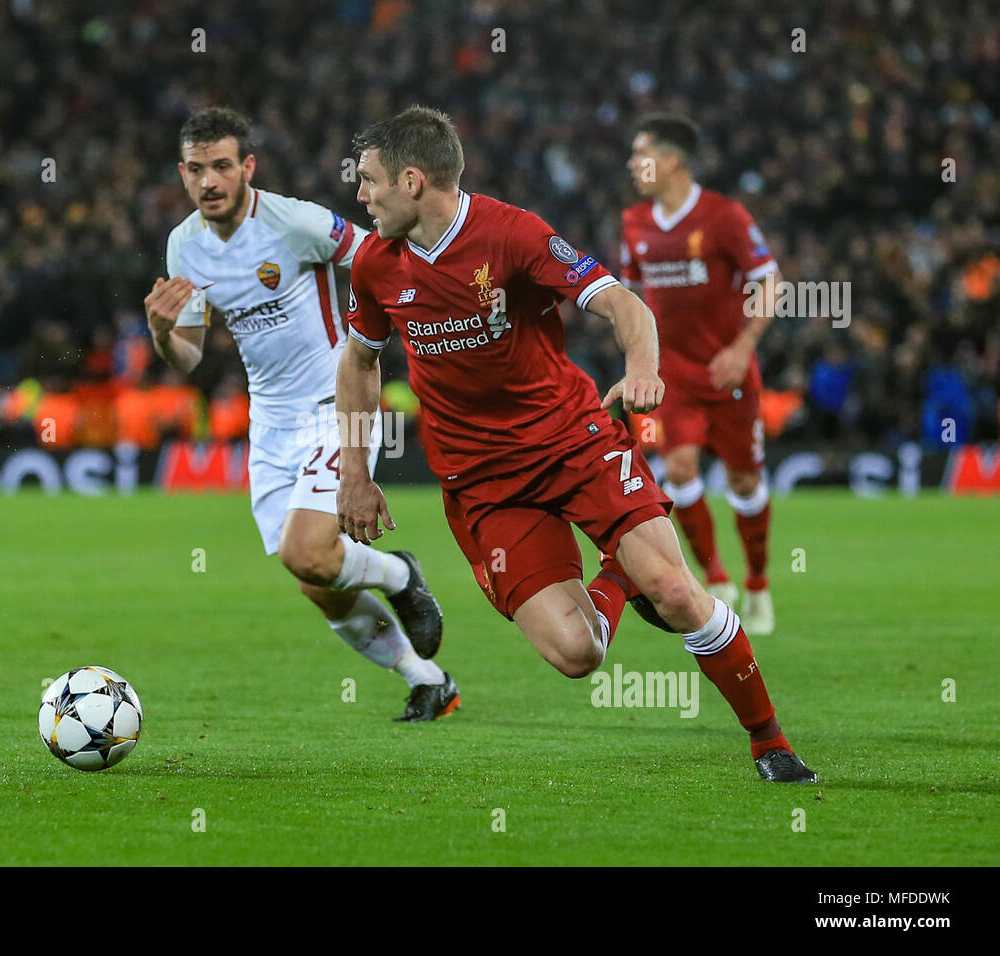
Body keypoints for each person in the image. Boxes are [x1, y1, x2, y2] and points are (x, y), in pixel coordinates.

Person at [337, 106, 815, 780]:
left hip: (572, 441)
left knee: (678, 594)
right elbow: (359, 362)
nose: (360, 195)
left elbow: (624, 304)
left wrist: (643, 369)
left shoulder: (513, 234)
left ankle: (770, 744)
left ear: (413, 180)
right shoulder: (375, 265)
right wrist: (355, 472)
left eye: (370, 181)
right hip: (485, 484)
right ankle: (619, 575)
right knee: (576, 653)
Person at [144, 107, 459, 721]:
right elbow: (186, 358)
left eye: (223, 167)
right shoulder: (184, 245)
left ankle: (399, 573)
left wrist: (410, 331)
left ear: (248, 168)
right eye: (196, 169)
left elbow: (379, 257)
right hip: (270, 424)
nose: (209, 181)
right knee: (316, 579)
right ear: (183, 173)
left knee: (306, 551)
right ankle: (427, 680)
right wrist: (160, 333)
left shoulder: (295, 223)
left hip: (331, 405)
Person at [621, 114, 781, 634]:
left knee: (744, 479)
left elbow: (769, 280)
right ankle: (716, 578)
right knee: (682, 471)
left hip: (728, 372)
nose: (631, 164)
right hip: (673, 378)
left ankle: (758, 582)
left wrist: (744, 344)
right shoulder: (634, 223)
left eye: (640, 154)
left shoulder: (724, 215)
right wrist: (638, 361)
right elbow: (629, 299)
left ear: (671, 161)